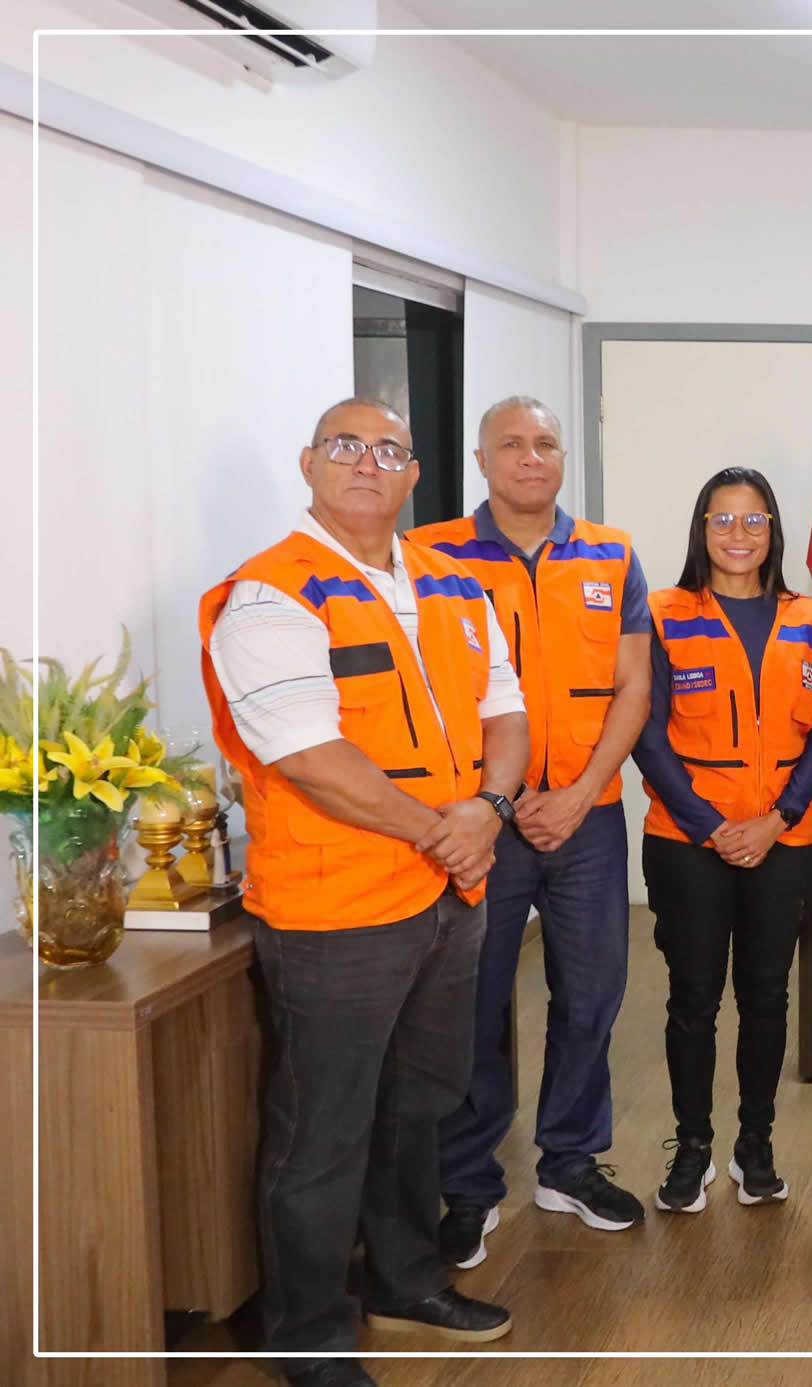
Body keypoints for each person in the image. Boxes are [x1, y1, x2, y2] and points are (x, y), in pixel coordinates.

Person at [200, 398, 528, 1387]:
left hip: (448, 897)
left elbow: (506, 711)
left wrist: (491, 808)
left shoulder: (451, 581)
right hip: (335, 911)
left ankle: (405, 1279)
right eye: (346, 446)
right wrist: (449, 830)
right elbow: (309, 755)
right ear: (310, 463)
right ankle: (307, 1335)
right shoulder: (271, 594)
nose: (368, 463)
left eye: (390, 449)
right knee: (324, 1129)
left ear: (416, 474)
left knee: (417, 1104)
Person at [408, 397, 651, 1264]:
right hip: (481, 820)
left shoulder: (611, 553)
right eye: (511, 443)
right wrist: (500, 802)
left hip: (587, 816)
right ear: (481, 460)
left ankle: (570, 1162)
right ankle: (469, 1184)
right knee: (472, 1003)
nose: (530, 456)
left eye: (545, 442)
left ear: (562, 457)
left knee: (592, 993)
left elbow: (633, 686)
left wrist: (581, 793)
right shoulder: (429, 555)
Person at [632, 468, 812, 1211]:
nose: (739, 534)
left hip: (783, 839)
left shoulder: (810, 617)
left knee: (766, 996)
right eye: (722, 520)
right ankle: (692, 1148)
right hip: (688, 842)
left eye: (755, 520)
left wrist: (777, 818)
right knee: (693, 997)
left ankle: (756, 1145)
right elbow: (646, 734)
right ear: (701, 530)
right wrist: (711, 826)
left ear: (773, 531)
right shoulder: (662, 614)